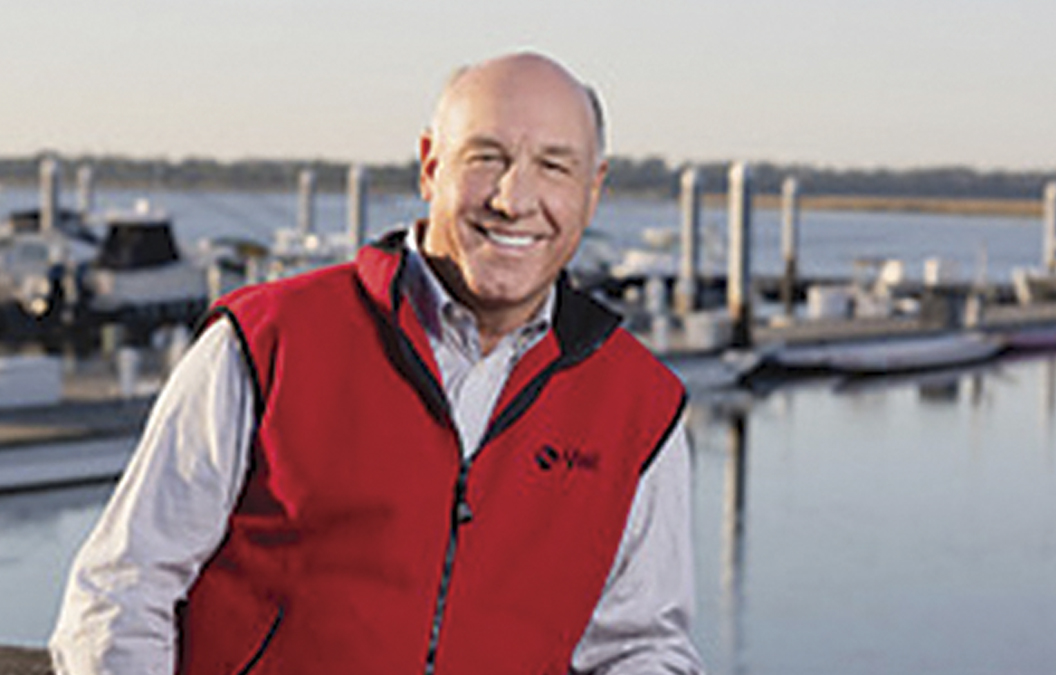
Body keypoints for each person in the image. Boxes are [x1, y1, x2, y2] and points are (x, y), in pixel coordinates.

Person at [50, 52, 705, 675]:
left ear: (593, 191)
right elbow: (121, 593)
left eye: (555, 167)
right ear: (429, 165)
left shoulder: (641, 406)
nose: (513, 198)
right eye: (487, 158)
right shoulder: (268, 340)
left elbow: (641, 644)